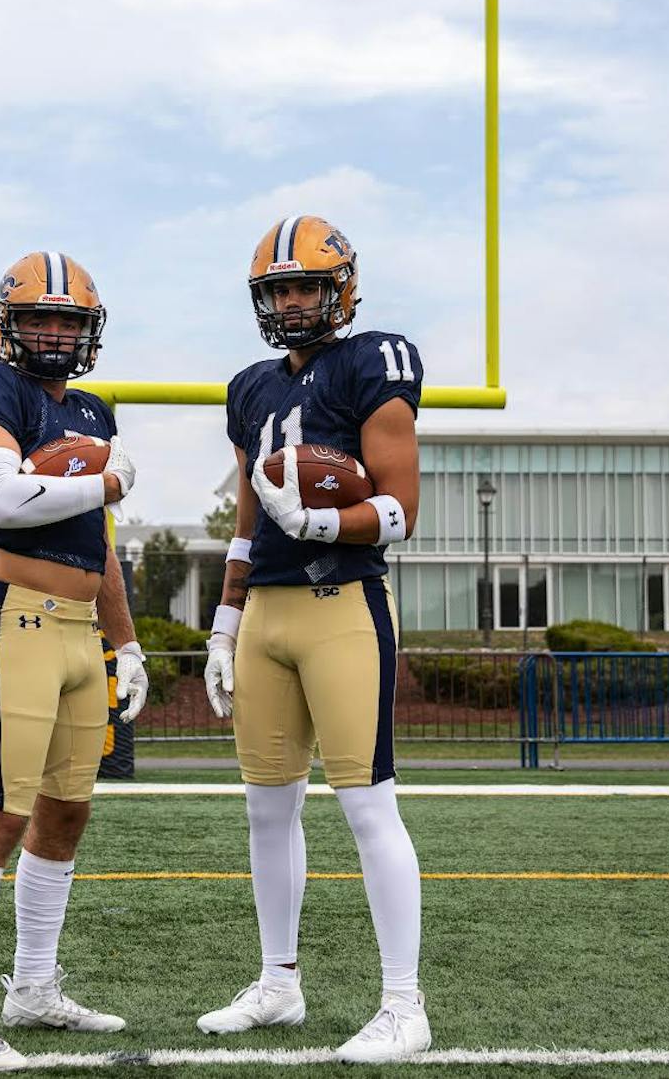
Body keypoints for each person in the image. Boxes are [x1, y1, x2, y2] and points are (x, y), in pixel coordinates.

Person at [198, 216, 429, 1063]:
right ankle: (278, 982)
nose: (292, 302)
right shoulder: (251, 386)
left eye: (305, 287)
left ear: (342, 289)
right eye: (278, 290)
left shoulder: (375, 361)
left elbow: (402, 508)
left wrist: (323, 517)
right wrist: (225, 621)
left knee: (367, 803)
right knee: (267, 807)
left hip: (342, 603)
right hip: (267, 612)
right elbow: (248, 516)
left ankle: (405, 1004)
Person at [0, 250, 150, 1071]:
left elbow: (101, 544)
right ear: (6, 324)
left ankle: (33, 986)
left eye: (69, 320)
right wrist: (107, 485)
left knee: (67, 811)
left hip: (80, 627)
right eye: (38, 318)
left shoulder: (91, 409)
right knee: (1, 813)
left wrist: (124, 639)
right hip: (17, 619)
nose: (55, 334)